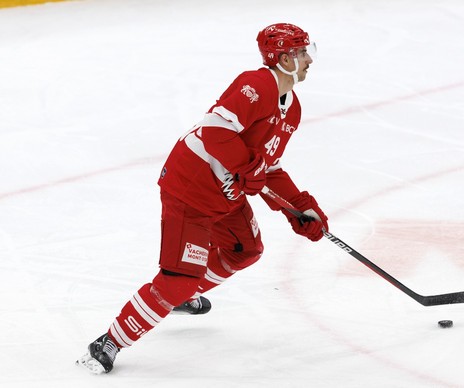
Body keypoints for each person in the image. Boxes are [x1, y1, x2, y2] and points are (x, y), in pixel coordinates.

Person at [76, 22, 328, 374]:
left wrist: (298, 207)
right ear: (284, 58)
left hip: (226, 195)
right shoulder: (255, 85)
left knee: (246, 250)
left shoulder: (292, 109)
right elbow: (214, 131)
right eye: (302, 53)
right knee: (178, 278)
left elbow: (268, 167)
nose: (309, 60)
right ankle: (110, 341)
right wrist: (248, 166)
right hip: (191, 189)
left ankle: (182, 295)